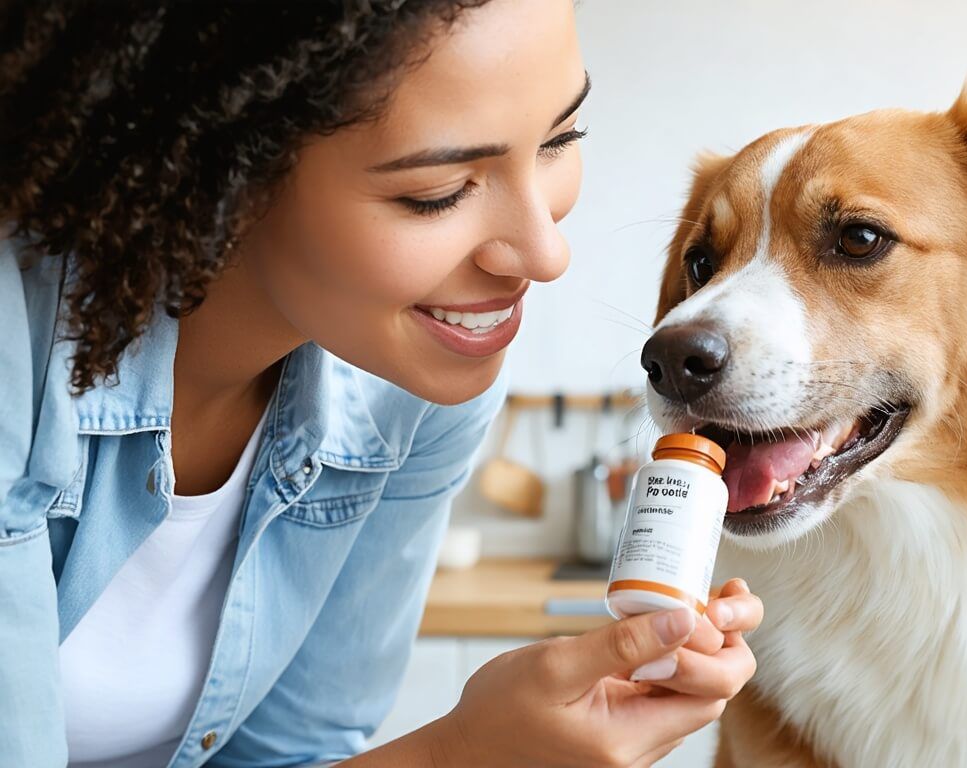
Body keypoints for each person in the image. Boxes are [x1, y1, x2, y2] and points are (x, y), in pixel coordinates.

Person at [0, 1, 763, 766]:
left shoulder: (404, 386)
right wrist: (461, 754)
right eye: (436, 191)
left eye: (560, 140)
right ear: (212, 167)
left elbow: (288, 754)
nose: (544, 252)